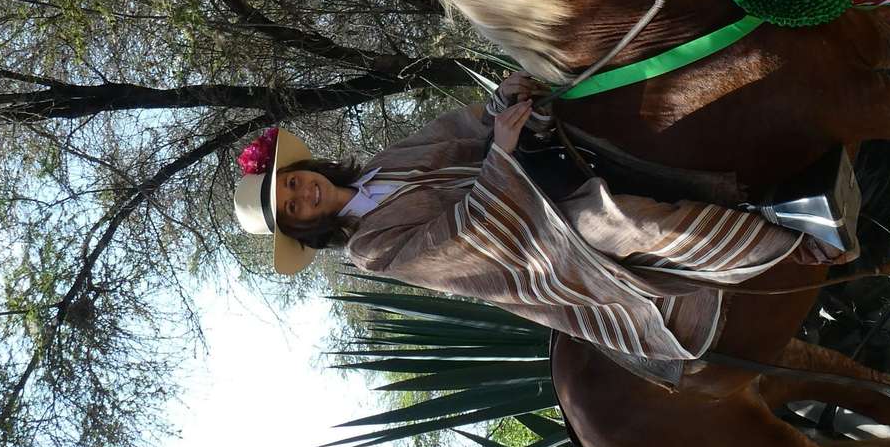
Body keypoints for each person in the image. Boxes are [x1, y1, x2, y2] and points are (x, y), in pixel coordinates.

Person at [231, 73, 840, 385]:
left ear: (303, 168)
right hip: (533, 244)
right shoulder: (371, 249)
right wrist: (499, 154)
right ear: (305, 228)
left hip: (524, 168)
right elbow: (461, 242)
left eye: (293, 183)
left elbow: (454, 130)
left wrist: (502, 105)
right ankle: (793, 236)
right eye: (297, 209)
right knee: (614, 220)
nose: (304, 194)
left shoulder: (379, 164)